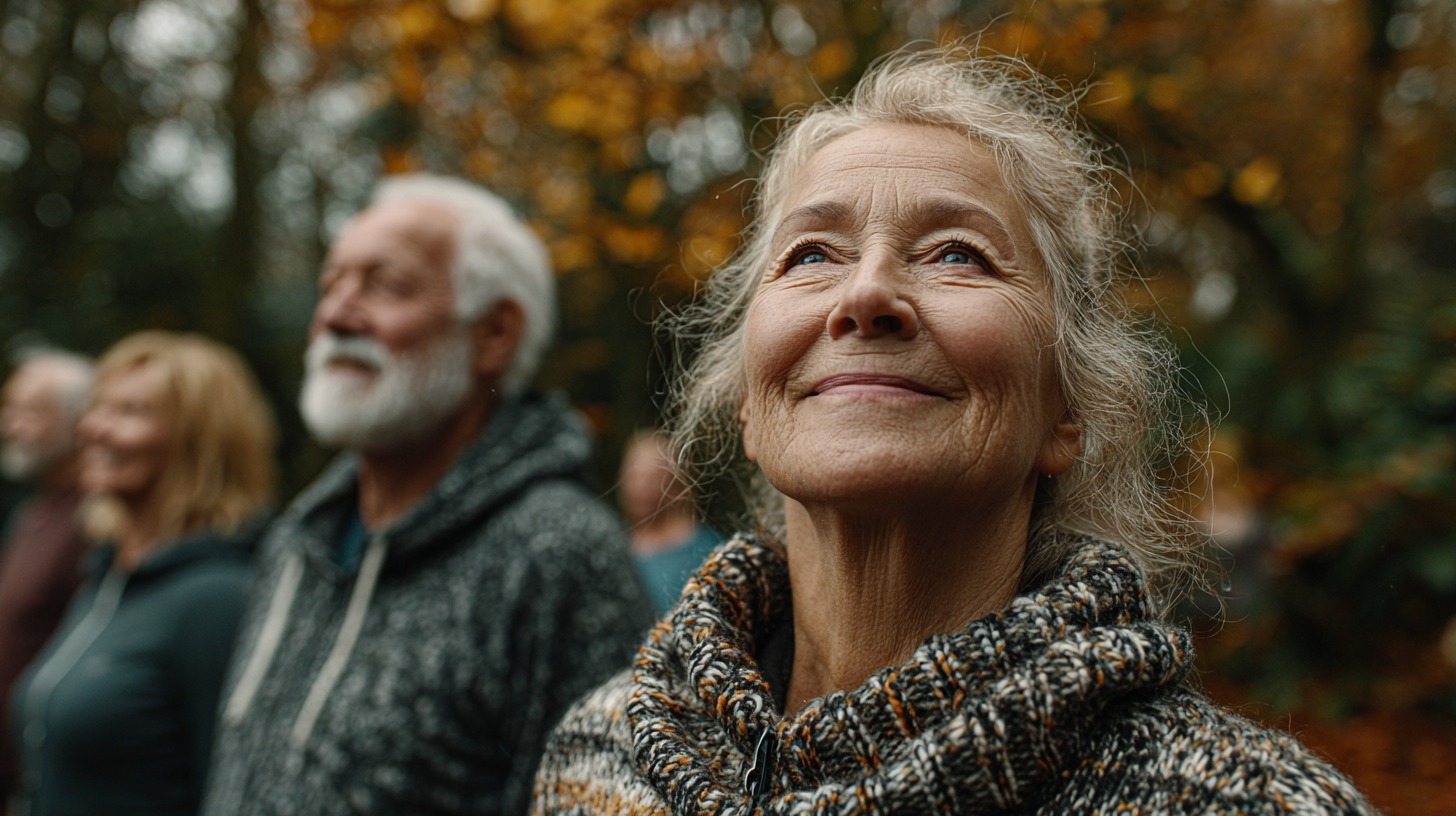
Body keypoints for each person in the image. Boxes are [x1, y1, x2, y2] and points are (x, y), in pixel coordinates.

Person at [531, 50, 1374, 814]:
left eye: (958, 254)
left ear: (1067, 408)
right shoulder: (594, 764)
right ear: (751, 404)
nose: (864, 296)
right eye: (812, 255)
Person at [204, 174, 655, 816]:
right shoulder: (296, 539)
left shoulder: (558, 557)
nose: (334, 315)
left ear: (494, 334)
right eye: (331, 283)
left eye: (385, 285)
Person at [11, 331, 275, 816]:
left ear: (200, 442)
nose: (93, 429)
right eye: (97, 408)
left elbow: (236, 792)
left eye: (128, 413)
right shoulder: (107, 578)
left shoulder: (218, 597)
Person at [0, 350, 94, 806]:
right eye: (8, 409)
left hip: (48, 784)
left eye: (28, 413)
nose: (10, 426)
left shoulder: (95, 520)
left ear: (79, 421)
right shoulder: (31, 514)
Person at [619, 430, 722, 616]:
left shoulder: (705, 550)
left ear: (674, 485)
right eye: (634, 476)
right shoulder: (615, 545)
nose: (639, 487)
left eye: (652, 478)